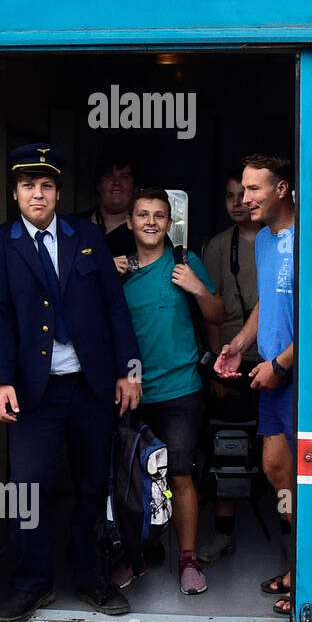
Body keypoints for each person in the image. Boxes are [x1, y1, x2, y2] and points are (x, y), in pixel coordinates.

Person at [0, 144, 142, 622]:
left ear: (58, 192)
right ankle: (33, 584)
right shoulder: (0, 242)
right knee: (29, 489)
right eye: (29, 185)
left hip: (91, 388)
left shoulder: (87, 235)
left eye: (47, 185)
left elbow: (116, 309)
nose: (38, 194)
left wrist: (129, 371)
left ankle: (91, 577)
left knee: (93, 487)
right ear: (15, 193)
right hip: (35, 393)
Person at [110, 188, 224, 595]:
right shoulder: (116, 270)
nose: (152, 222)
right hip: (131, 392)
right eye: (143, 215)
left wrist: (196, 287)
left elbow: (217, 313)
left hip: (180, 390)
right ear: (130, 222)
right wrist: (109, 274)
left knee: (179, 474)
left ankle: (188, 558)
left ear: (168, 221)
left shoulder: (184, 262)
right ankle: (134, 555)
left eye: (160, 215)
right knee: (132, 476)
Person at [214, 154, 296, 616]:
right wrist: (237, 344)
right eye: (242, 190)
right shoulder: (265, 240)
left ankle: (305, 574)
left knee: (295, 474)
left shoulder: (308, 239)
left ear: (281, 189)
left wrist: (281, 366)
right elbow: (267, 303)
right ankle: (296, 564)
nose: (244, 200)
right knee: (276, 471)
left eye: (254, 190)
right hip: (272, 374)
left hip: (296, 380)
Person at [198, 171, 262, 563]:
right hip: (231, 356)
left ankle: (291, 545)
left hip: (273, 357)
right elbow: (209, 310)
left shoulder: (281, 239)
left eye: (245, 194)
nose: (238, 203)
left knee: (277, 452)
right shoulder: (220, 246)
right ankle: (224, 534)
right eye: (229, 196)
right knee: (228, 449)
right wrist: (215, 366)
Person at [82, 155, 138, 265]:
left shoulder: (147, 231)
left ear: (135, 187)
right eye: (108, 176)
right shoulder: (75, 225)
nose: (116, 182)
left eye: (124, 176)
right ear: (98, 185)